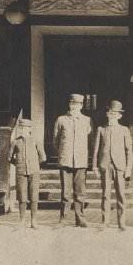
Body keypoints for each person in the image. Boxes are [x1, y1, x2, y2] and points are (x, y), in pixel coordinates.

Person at [92, 100, 133, 230]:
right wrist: (94, 166)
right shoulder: (101, 129)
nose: (113, 115)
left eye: (115, 113)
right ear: (107, 113)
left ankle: (121, 222)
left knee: (121, 194)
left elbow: (129, 151)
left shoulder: (124, 130)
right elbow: (96, 149)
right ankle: (105, 221)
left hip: (119, 166)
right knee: (105, 194)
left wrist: (128, 168)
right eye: (111, 112)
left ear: (120, 116)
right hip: (105, 166)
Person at [52, 93, 92, 227]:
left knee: (80, 192)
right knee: (65, 192)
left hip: (80, 161)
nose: (75, 106)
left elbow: (91, 140)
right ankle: (63, 219)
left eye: (78, 104)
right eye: (72, 104)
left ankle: (80, 218)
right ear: (69, 105)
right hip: (66, 160)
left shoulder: (87, 120)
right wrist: (64, 153)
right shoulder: (61, 120)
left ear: (81, 106)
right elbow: (56, 141)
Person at [8, 117, 46, 229]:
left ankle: (34, 220)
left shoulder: (35, 140)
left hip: (34, 172)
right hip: (21, 172)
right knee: (22, 197)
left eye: (25, 128)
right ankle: (22, 220)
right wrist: (19, 164)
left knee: (34, 196)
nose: (23, 130)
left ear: (30, 129)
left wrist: (34, 164)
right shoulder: (15, 142)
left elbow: (43, 157)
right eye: (21, 128)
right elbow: (9, 158)